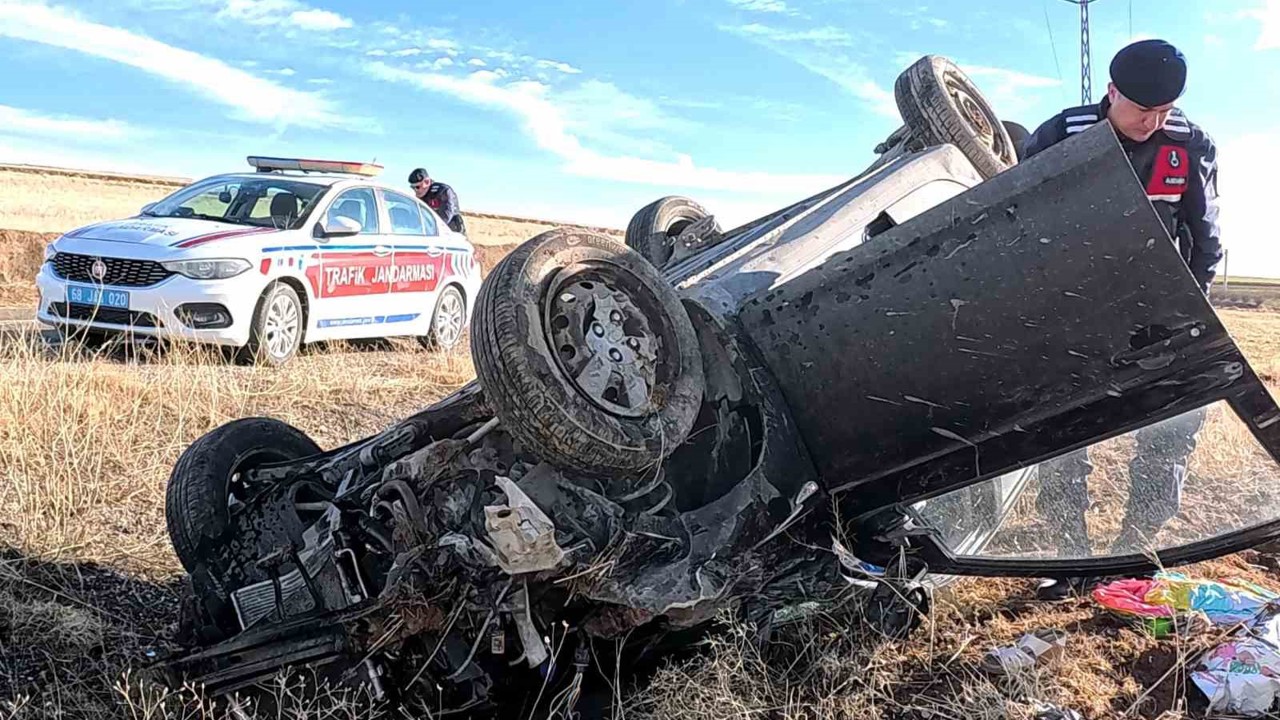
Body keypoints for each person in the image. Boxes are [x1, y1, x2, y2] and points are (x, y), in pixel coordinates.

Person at [1020, 38, 1222, 601]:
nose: (1150, 122)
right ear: (1112, 92)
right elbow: (1017, 225)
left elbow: (1206, 236)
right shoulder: (1062, 135)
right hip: (1072, 311)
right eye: (1141, 109)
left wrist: (1192, 310)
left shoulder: (1188, 143)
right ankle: (1073, 560)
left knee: (1169, 435)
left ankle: (1136, 555)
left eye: (1163, 111)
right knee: (1064, 435)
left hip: (1158, 312)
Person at [408, 167, 466, 234]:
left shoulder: (442, 191)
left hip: (452, 232)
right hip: (431, 232)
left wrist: (430, 228)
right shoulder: (420, 197)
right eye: (412, 187)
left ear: (427, 182)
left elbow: (445, 217)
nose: (415, 190)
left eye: (417, 187)